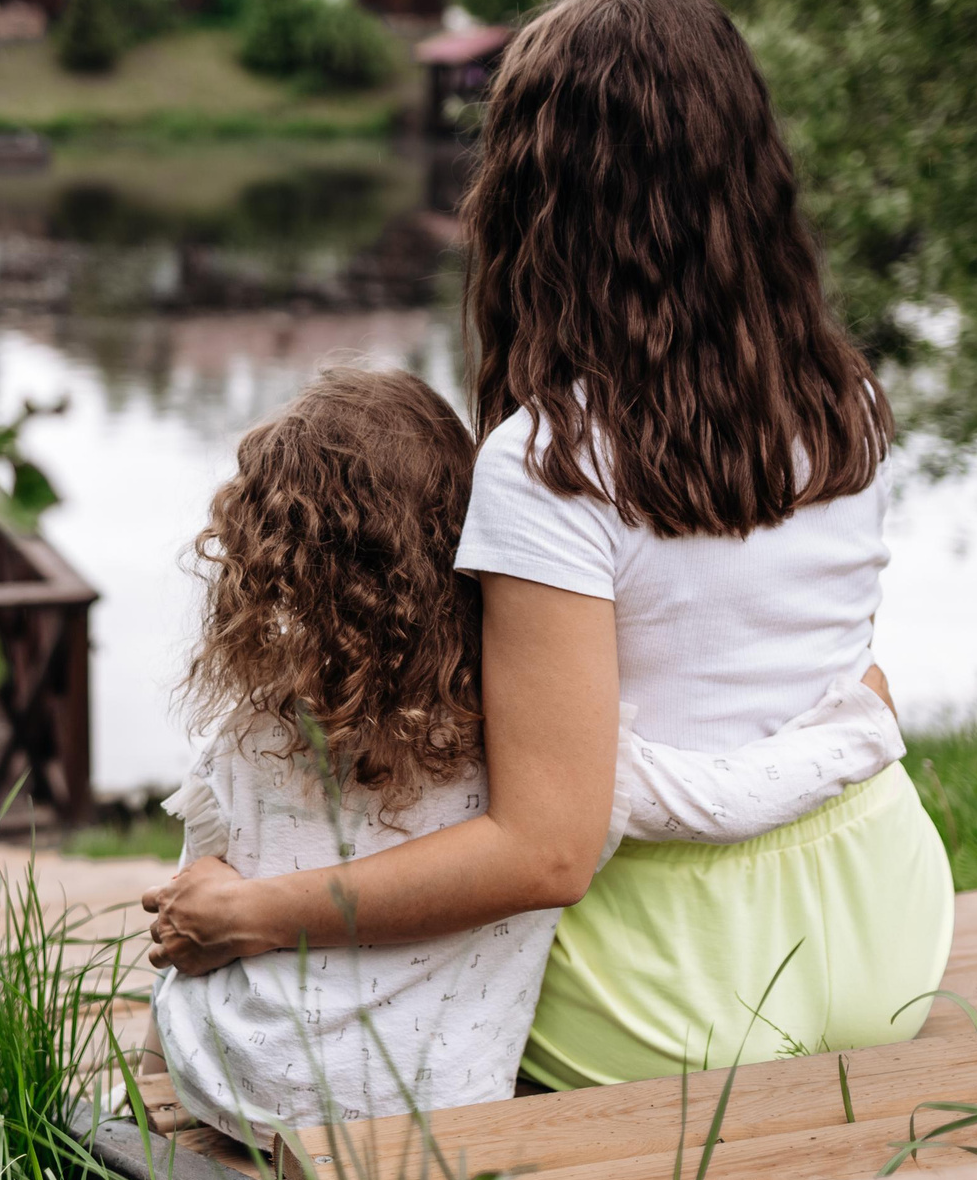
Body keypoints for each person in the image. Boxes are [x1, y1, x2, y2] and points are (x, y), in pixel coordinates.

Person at [146, 0, 954, 1091]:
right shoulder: (839, 397)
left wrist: (256, 913)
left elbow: (550, 850)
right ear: (747, 171)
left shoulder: (547, 466)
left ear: (535, 198)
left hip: (671, 991)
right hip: (887, 929)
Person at [150, 367, 908, 1140]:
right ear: (458, 536)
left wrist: (162, 1060)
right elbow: (722, 798)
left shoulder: (246, 736)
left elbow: (189, 923)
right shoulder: (527, 747)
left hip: (232, 1084)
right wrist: (860, 728)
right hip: (436, 1106)